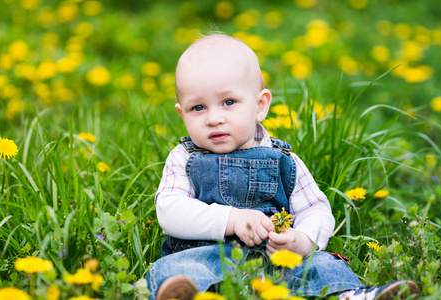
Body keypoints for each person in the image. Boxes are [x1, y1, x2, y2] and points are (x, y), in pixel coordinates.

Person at [146, 33, 420, 300]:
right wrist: (230, 219)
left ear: (260, 105)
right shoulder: (184, 156)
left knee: (322, 265)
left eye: (228, 102)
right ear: (182, 114)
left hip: (278, 261)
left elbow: (316, 210)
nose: (214, 118)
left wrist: (301, 240)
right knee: (176, 270)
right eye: (198, 108)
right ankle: (186, 294)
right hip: (208, 259)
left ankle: (350, 294)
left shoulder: (284, 159)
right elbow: (170, 211)